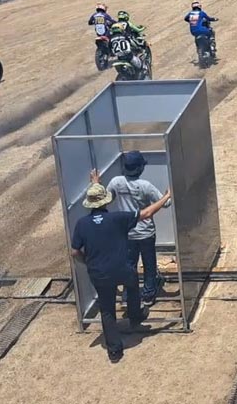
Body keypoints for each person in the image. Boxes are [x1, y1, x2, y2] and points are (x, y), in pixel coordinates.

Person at [71, 169, 172, 363]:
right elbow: (147, 213)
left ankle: (115, 351)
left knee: (107, 309)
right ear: (106, 201)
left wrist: (87, 261)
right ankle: (135, 315)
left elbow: (75, 252)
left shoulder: (82, 225)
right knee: (133, 285)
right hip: (122, 269)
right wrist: (166, 195)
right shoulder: (117, 219)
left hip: (99, 273)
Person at [106, 151, 171, 306]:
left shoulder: (116, 182)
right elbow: (166, 204)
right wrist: (167, 195)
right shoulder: (145, 186)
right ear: (140, 168)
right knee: (149, 266)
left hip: (127, 233)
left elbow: (107, 199)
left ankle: (127, 296)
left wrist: (96, 184)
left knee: (129, 266)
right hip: (146, 233)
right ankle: (148, 295)